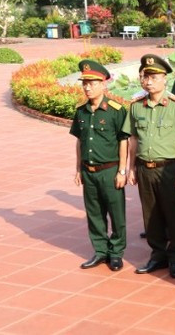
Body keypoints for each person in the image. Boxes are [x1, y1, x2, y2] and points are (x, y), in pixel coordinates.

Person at [127, 54, 175, 279]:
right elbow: (133, 139)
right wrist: (132, 167)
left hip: (169, 169)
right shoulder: (136, 106)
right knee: (150, 215)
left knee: (173, 215)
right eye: (146, 77)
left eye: (154, 77)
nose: (149, 81)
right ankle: (158, 255)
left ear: (165, 79)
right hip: (145, 168)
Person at [71, 60, 130, 271]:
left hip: (110, 170)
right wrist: (78, 168)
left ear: (104, 84)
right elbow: (79, 140)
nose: (87, 87)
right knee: (94, 213)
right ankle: (100, 250)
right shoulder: (81, 112)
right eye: (84, 83)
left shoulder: (116, 110)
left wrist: (123, 170)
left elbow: (124, 140)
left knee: (116, 214)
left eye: (92, 82)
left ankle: (116, 252)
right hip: (89, 171)